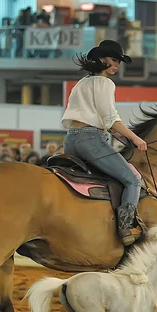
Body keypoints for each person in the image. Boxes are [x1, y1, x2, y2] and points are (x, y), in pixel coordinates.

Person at [61, 40, 147, 246]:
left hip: (71, 140)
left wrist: (119, 136)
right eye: (114, 60)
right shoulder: (105, 83)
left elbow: (102, 121)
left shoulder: (81, 83)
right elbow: (110, 119)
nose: (117, 65)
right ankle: (125, 228)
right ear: (102, 59)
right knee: (133, 179)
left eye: (119, 62)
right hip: (90, 140)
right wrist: (135, 138)